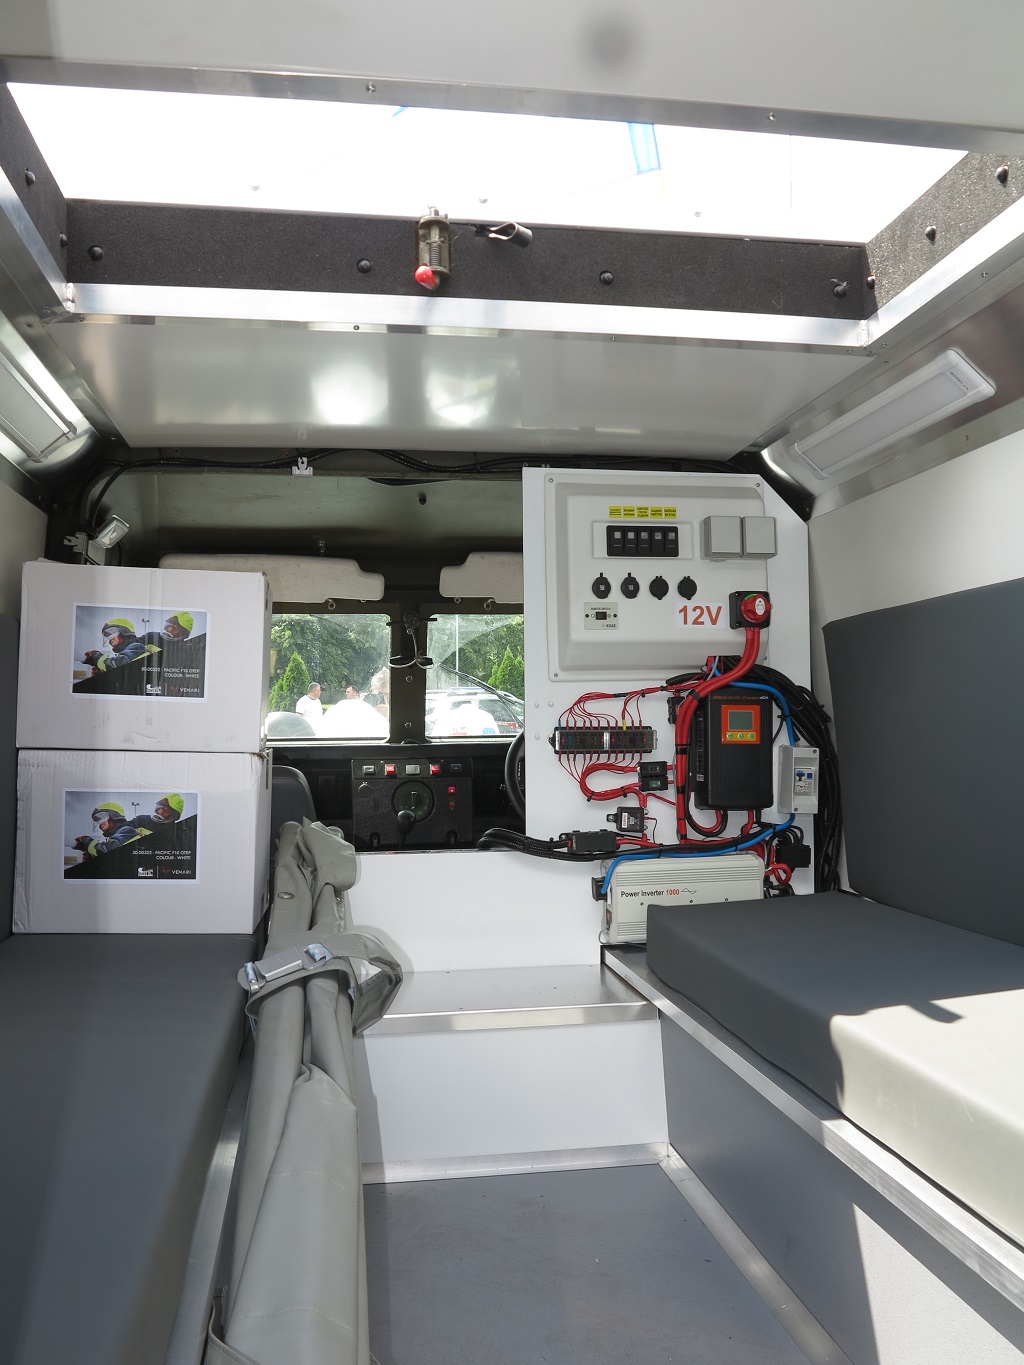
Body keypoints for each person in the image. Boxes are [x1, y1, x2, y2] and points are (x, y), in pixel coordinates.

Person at [74, 802, 151, 859]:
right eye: (97, 820)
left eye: (101, 817)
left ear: (114, 816)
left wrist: (86, 841)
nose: (100, 823)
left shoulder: (127, 831)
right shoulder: (116, 837)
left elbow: (106, 851)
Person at [81, 619, 157, 673]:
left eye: (112, 632)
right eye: (107, 636)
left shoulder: (136, 646)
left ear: (124, 631)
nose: (110, 638)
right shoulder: (126, 653)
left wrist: (96, 657)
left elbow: (116, 665)